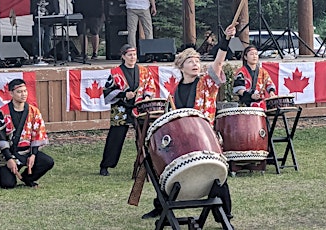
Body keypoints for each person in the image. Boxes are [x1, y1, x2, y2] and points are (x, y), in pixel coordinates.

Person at [141, 24, 237, 228]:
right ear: (181, 66)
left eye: (197, 60)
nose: (195, 64)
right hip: (182, 139)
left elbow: (218, 63)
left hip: (204, 136)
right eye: (190, 61)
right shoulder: (173, 92)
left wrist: (225, 40)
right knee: (163, 166)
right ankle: (161, 206)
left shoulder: (206, 83)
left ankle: (225, 213)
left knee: (216, 175)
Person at [100, 44, 157, 176]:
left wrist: (147, 95)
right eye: (130, 55)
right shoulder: (115, 72)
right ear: (123, 56)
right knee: (116, 137)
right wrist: (123, 94)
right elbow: (107, 91)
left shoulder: (143, 71)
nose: (133, 57)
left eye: (134, 55)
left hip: (140, 106)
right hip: (120, 108)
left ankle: (146, 164)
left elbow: (150, 86)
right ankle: (106, 165)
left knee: (144, 136)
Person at [0, 79, 54, 189]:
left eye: (25, 91)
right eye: (19, 92)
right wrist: (9, 159)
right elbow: (0, 139)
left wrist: (33, 154)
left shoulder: (34, 111)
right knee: (7, 184)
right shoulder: (2, 113)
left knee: (48, 162)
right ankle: (7, 172)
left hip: (27, 152)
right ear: (11, 93)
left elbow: (37, 134)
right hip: (9, 153)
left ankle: (27, 178)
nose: (23, 94)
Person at [233, 45, 276, 109]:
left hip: (261, 103)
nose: (254, 56)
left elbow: (269, 83)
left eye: (256, 54)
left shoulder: (262, 71)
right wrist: (251, 96)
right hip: (246, 103)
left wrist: (271, 92)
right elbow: (239, 89)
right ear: (245, 57)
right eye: (251, 54)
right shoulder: (241, 72)